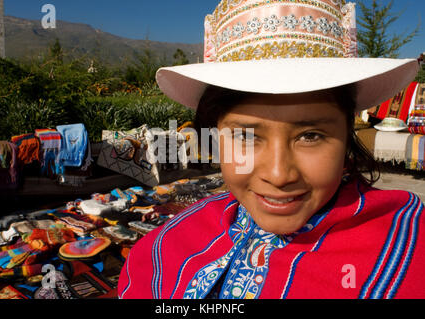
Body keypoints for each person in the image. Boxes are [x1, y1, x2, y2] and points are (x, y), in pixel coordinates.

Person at [118, 0, 423, 299]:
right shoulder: (164, 246)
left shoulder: (410, 251)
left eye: (311, 136)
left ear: (347, 133)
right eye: (246, 136)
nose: (279, 175)